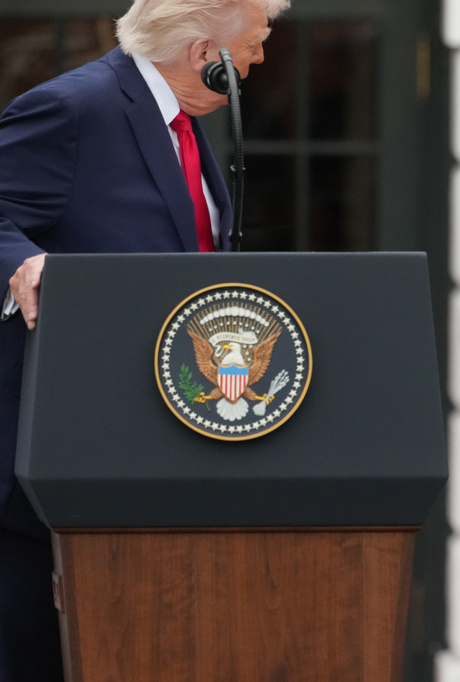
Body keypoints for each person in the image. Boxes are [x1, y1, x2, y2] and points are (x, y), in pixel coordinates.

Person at [0, 0, 288, 678]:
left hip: (149, 450)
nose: (261, 58)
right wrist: (21, 260)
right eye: (255, 41)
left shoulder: (181, 123)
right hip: (53, 463)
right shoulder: (76, 109)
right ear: (202, 56)